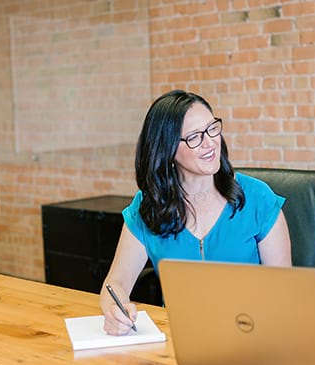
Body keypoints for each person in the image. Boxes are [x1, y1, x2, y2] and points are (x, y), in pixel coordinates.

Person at [100, 89, 292, 335]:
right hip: (178, 339)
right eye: (194, 137)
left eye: (212, 128)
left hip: (250, 334)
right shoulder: (148, 208)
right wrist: (115, 312)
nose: (210, 142)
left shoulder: (258, 198)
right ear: (167, 149)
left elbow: (285, 291)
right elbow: (115, 284)